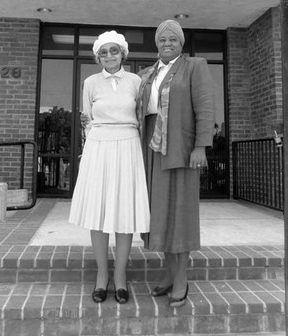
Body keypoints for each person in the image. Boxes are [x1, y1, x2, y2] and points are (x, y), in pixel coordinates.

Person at [137, 19, 215, 307]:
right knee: (159, 216)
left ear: (181, 44)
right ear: (156, 44)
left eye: (173, 40)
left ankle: (182, 279)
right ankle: (170, 274)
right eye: (162, 40)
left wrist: (201, 147)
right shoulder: (147, 74)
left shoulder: (195, 67)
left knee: (180, 218)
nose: (167, 44)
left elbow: (205, 108)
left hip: (181, 152)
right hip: (151, 152)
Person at [69, 30, 150, 304]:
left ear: (123, 53)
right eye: (103, 52)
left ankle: (120, 276)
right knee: (99, 210)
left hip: (128, 144)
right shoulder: (90, 82)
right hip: (98, 145)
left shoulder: (136, 81)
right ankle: (102, 276)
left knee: (124, 211)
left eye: (114, 50)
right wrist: (86, 149)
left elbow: (143, 115)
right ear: (97, 57)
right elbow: (87, 120)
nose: (109, 56)